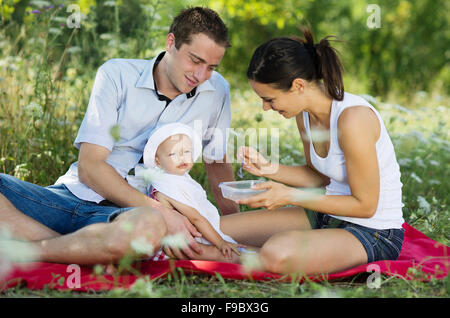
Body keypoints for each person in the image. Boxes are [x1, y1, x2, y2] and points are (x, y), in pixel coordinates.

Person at [0, 7, 239, 265]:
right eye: (195, 60)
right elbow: (89, 167)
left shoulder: (217, 91)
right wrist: (160, 210)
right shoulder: (116, 74)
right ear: (171, 43)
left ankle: (32, 248)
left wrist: (231, 225)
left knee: (147, 230)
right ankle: (73, 247)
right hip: (67, 198)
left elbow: (217, 163)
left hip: (130, 216)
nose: (201, 75)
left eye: (211, 67)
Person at [214, 27, 406, 275]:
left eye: (269, 99)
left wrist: (290, 196)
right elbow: (319, 176)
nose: (265, 107)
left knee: (277, 253)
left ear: (298, 86)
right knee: (216, 228)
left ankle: (226, 254)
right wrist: (268, 169)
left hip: (373, 232)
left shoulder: (353, 119)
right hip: (325, 216)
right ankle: (233, 249)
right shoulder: (303, 115)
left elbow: (365, 206)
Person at [133, 123, 253, 262]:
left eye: (186, 152)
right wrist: (220, 242)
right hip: (174, 244)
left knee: (237, 247)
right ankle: (259, 260)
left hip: (192, 233)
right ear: (157, 161)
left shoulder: (179, 178)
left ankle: (258, 254)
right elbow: (196, 218)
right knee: (225, 253)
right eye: (173, 154)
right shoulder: (167, 184)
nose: (182, 157)